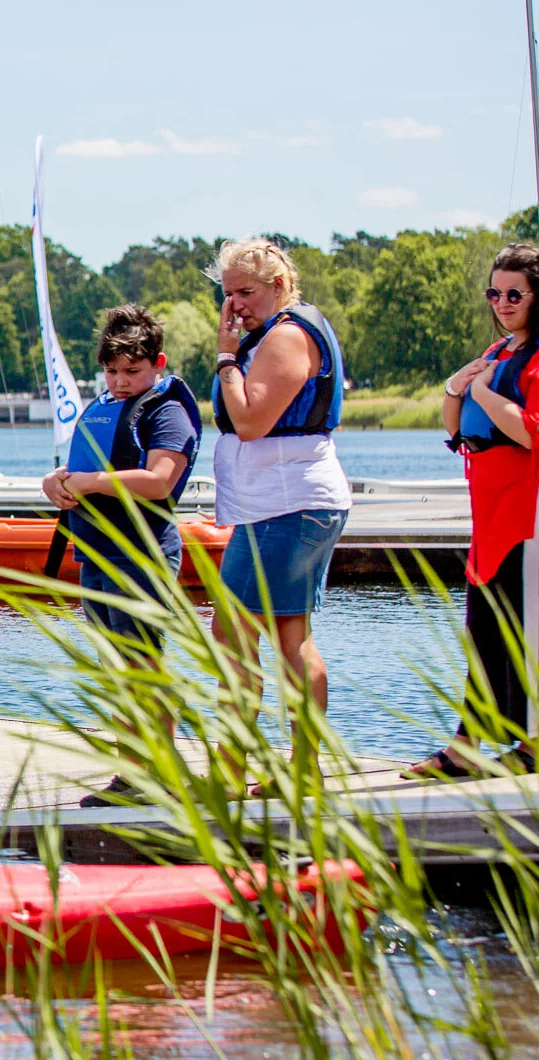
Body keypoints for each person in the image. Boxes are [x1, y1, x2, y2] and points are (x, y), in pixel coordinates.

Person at [405, 244, 539, 780]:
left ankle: (535, 747)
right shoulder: (502, 350)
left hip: (536, 504)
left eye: (515, 293)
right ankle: (467, 744)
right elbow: (455, 427)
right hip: (494, 506)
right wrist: (455, 388)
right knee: (484, 622)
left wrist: (482, 390)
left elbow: (530, 428)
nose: (503, 302)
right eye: (495, 292)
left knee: (530, 624)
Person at [41, 304, 202, 805]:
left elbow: (158, 480)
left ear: (158, 363)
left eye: (132, 371)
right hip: (98, 554)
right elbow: (80, 467)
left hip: (142, 555)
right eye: (111, 371)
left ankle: (158, 774)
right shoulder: (103, 406)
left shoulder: (165, 410)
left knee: (141, 663)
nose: (120, 381)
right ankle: (131, 772)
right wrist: (57, 482)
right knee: (115, 667)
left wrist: (88, 482)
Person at [208, 238, 353, 793]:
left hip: (287, 503)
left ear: (279, 285)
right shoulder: (278, 331)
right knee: (291, 633)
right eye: (228, 295)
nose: (236, 305)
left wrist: (226, 357)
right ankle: (303, 769)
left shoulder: (288, 335)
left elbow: (249, 421)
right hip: (287, 500)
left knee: (233, 631)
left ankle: (233, 767)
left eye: (246, 292)